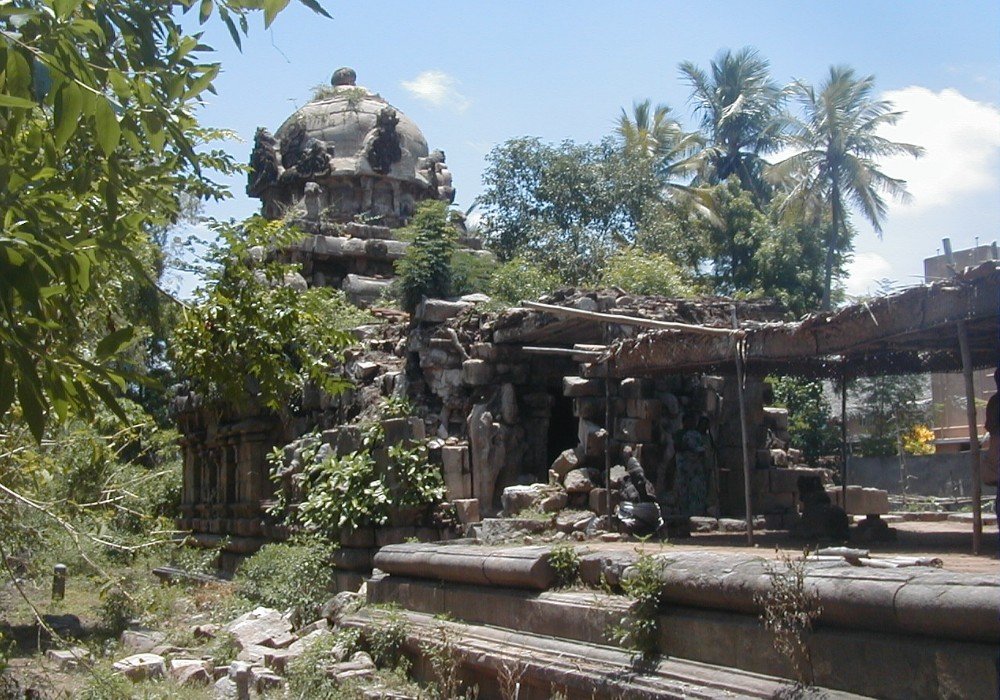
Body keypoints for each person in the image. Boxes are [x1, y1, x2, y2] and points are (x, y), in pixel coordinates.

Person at [674, 414, 708, 518]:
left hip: (693, 470)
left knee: (695, 492)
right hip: (686, 468)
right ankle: (685, 515)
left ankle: (694, 515)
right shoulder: (683, 434)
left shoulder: (696, 435)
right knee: (685, 493)